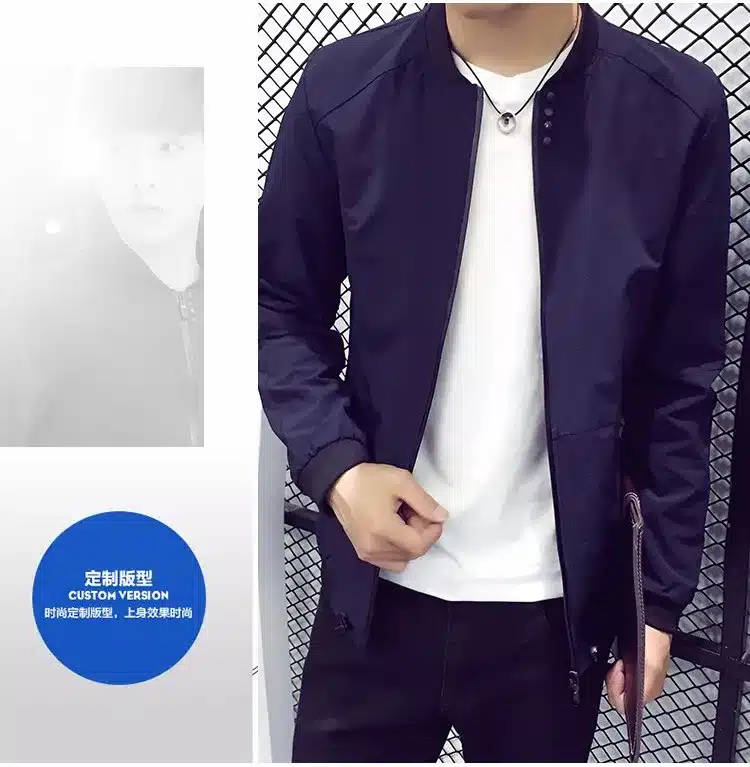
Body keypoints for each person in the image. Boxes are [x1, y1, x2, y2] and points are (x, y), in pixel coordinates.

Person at [259, 3, 730, 762]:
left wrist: (659, 598)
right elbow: (277, 305)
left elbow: (680, 379)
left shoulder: (675, 107)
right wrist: (338, 469)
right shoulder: (343, 87)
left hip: (554, 623)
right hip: (374, 599)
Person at [0, 67, 204, 447]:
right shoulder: (32, 315)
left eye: (169, 147)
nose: (143, 177)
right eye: (117, 150)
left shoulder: (263, 310)